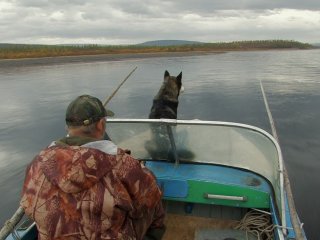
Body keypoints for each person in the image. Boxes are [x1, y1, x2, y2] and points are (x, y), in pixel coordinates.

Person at [20, 95, 165, 240]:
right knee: (150, 205)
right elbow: (152, 200)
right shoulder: (124, 166)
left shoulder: (37, 163)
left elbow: (28, 205)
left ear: (67, 127)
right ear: (101, 125)